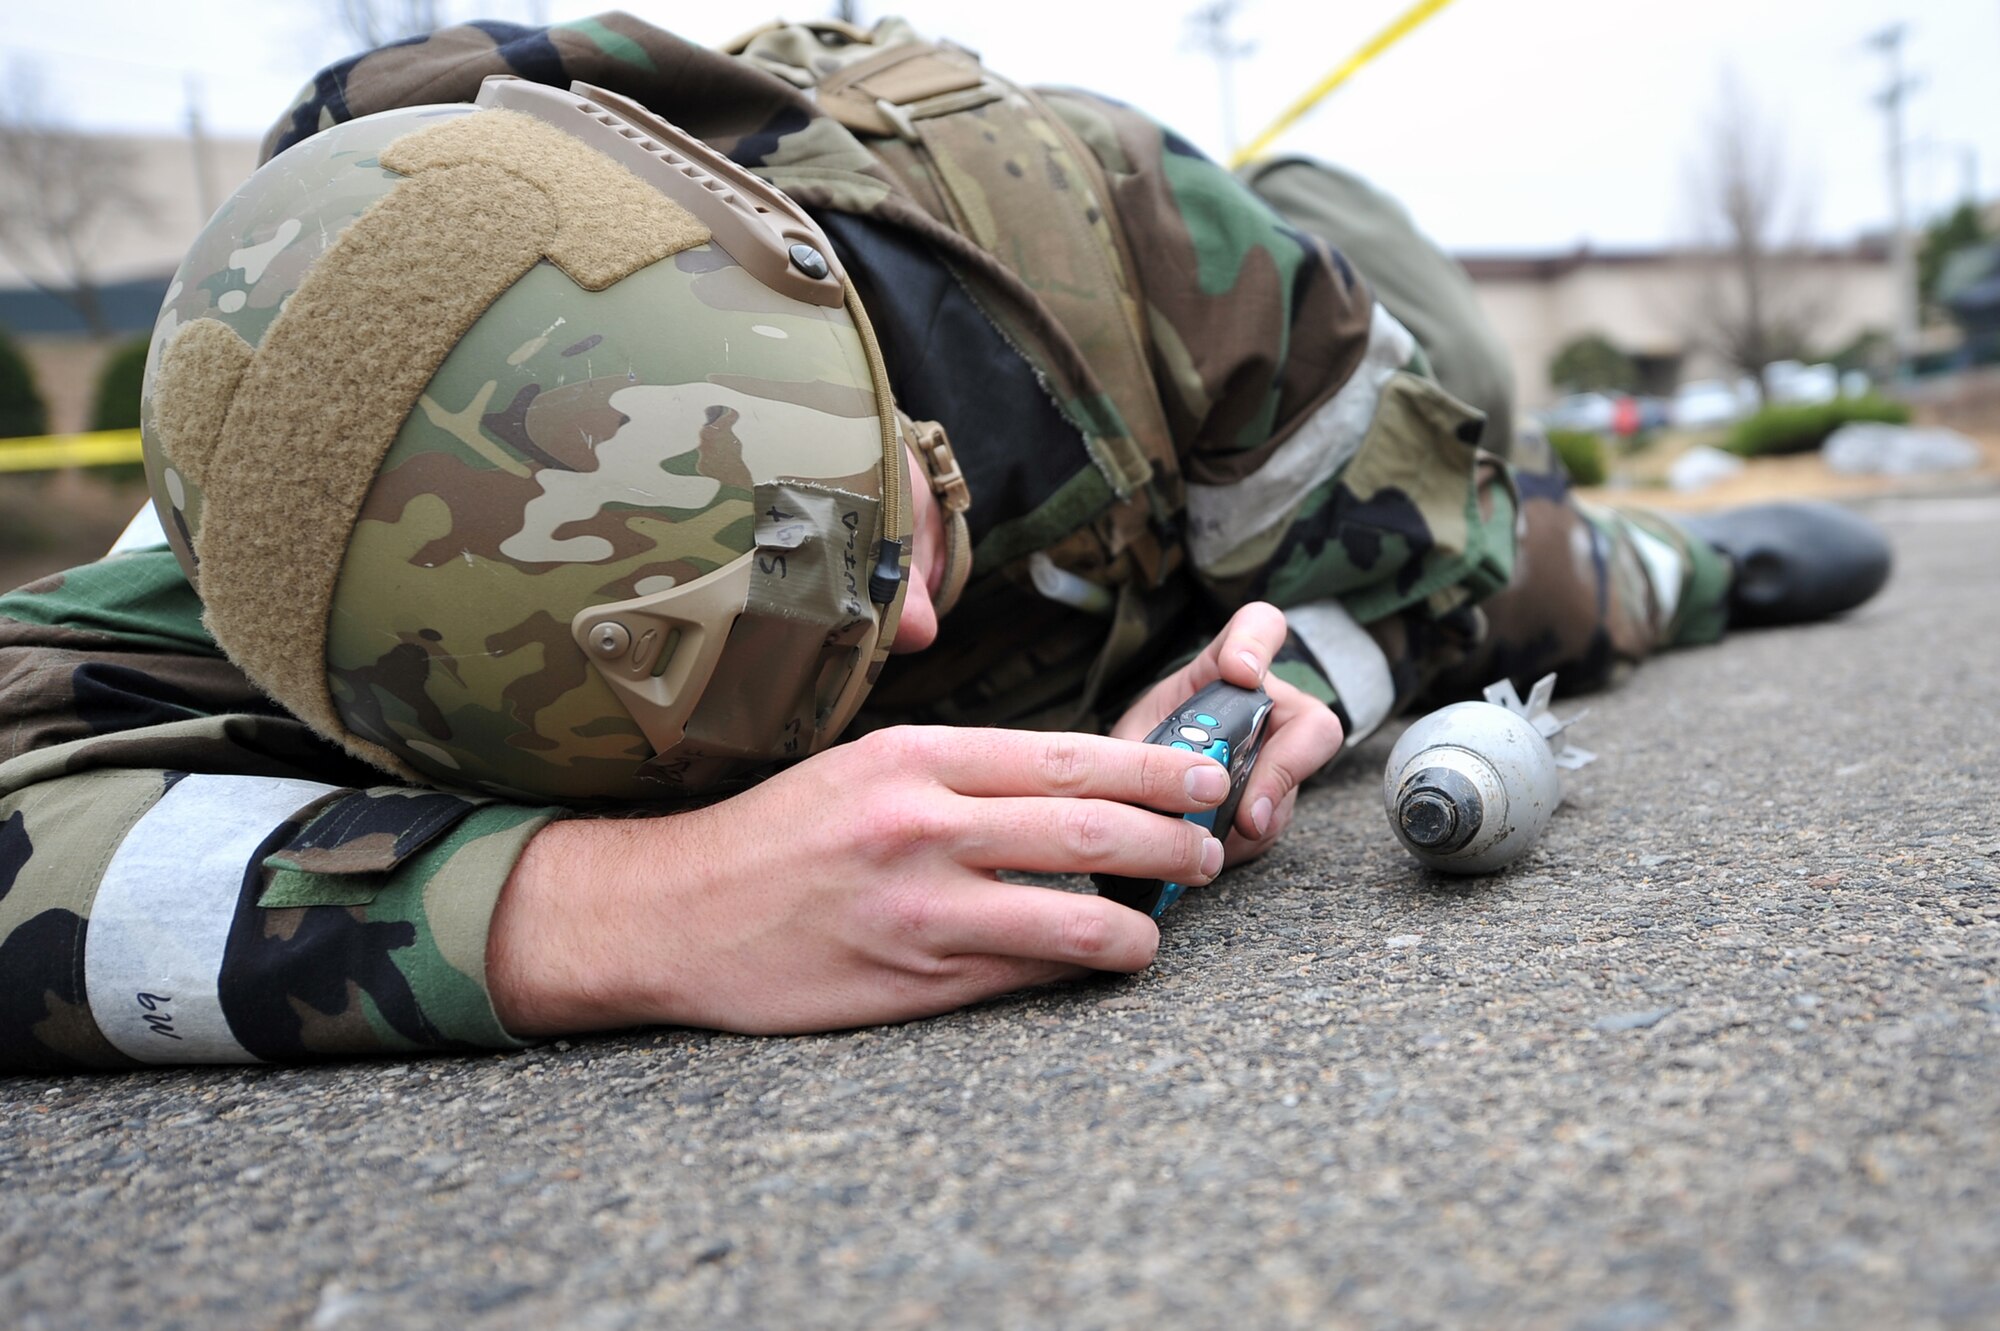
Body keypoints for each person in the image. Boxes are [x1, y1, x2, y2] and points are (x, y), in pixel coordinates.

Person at [0, 15, 1888, 1072]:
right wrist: (618, 912)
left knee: (1541, 539)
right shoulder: (295, 538)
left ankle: (1683, 562)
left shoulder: (1110, 229)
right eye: (759, 652)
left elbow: (1454, 548)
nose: (910, 621)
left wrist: (1310, 668)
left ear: (827, 309)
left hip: (1241, 395)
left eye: (872, 522)